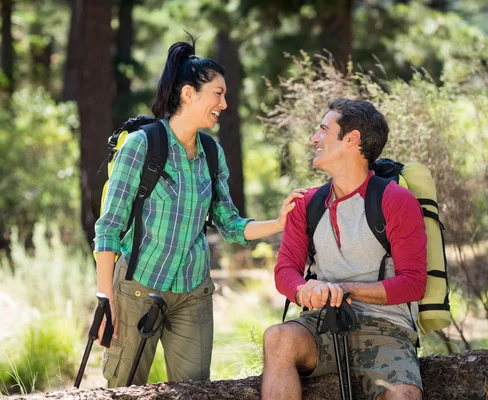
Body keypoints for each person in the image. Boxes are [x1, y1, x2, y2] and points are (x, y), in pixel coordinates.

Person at [94, 38, 305, 388]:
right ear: (189, 94)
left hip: (194, 293)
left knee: (193, 393)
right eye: (218, 94)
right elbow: (109, 227)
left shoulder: (212, 152)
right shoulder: (141, 145)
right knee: (124, 392)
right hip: (136, 289)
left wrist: (279, 224)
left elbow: (231, 225)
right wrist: (105, 300)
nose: (224, 103)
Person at [261, 99, 428, 400]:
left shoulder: (396, 201)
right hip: (325, 323)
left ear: (351, 139)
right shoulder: (306, 204)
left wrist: (344, 289)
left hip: (386, 328)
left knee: (404, 395)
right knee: (278, 338)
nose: (314, 138)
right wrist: (304, 291)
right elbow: (285, 271)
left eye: (324, 130)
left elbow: (414, 284)